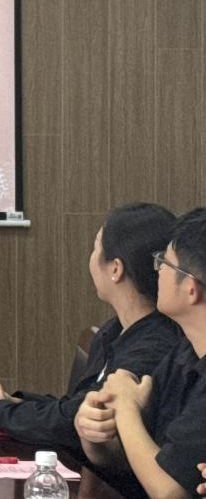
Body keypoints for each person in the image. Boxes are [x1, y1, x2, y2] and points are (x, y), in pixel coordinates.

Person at [0, 202, 181, 456]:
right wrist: (11, 402)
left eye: (96, 248)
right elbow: (75, 405)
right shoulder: (115, 329)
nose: (91, 258)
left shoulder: (154, 347)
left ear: (115, 269)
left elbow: (74, 422)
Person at [76, 207, 206, 499]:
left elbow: (170, 491)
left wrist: (126, 407)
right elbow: (138, 458)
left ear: (191, 288)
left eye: (165, 263)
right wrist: (95, 436)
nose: (156, 270)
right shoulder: (184, 352)